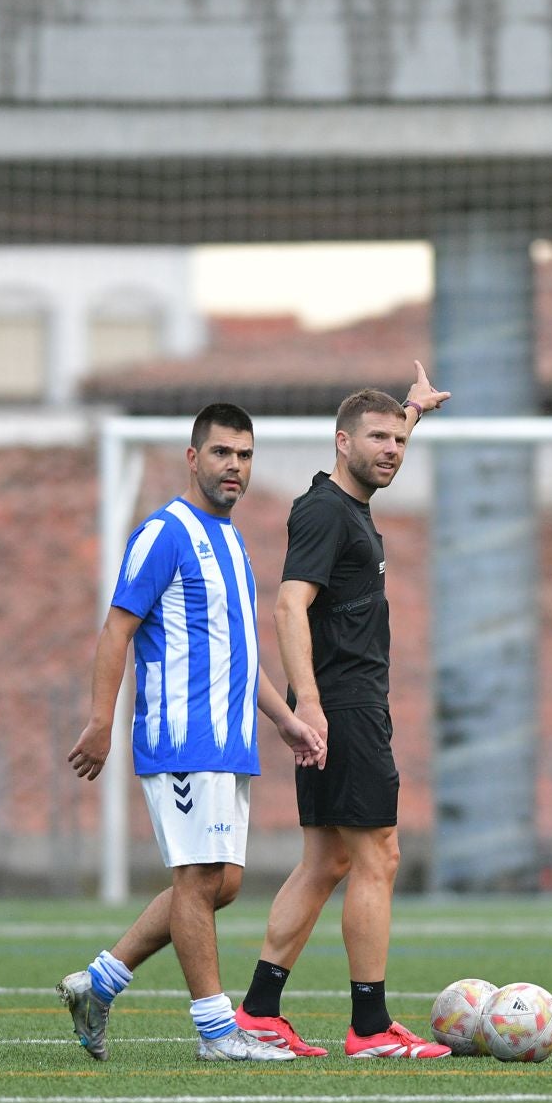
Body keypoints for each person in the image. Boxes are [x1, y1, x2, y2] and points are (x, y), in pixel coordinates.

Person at [58, 402, 326, 1063]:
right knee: (199, 878)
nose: (234, 466)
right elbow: (117, 628)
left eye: (244, 455)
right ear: (193, 457)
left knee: (219, 885)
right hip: (182, 735)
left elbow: (239, 652)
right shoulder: (164, 533)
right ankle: (216, 1032)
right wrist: (101, 722)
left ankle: (98, 982)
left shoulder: (231, 541)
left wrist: (285, 719)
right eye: (222, 453)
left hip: (227, 741)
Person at [233, 362, 453, 1059]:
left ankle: (260, 1013)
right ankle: (369, 1027)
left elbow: (391, 429)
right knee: (378, 857)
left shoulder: (346, 500)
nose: (392, 449)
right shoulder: (327, 510)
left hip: (348, 703)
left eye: (401, 440)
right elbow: (289, 603)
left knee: (325, 859)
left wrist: (413, 409)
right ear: (340, 442)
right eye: (379, 438)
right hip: (345, 704)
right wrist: (314, 704)